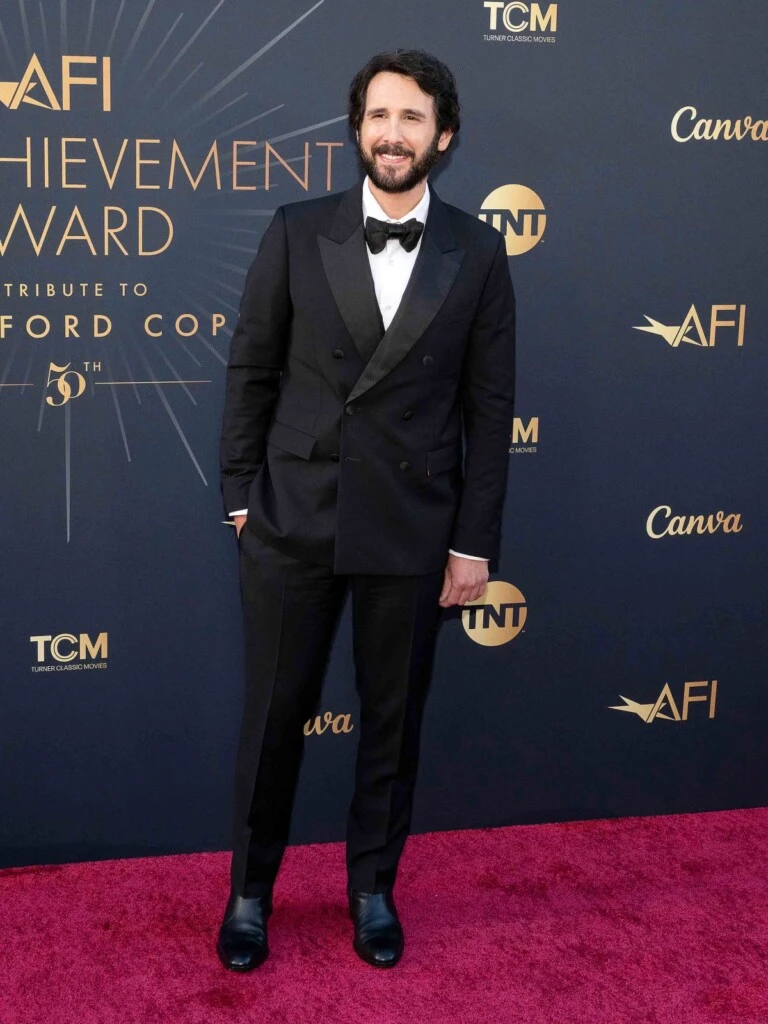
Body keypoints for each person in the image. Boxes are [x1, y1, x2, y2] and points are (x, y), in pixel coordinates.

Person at [217, 49, 515, 971]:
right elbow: (251, 368)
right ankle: (249, 893)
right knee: (274, 715)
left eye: (412, 117)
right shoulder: (297, 229)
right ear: (356, 129)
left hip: (413, 521)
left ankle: (373, 890)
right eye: (379, 115)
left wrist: (473, 543)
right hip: (294, 514)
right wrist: (240, 499)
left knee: (392, 720)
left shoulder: (478, 250)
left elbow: (490, 409)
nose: (393, 133)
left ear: (444, 136)